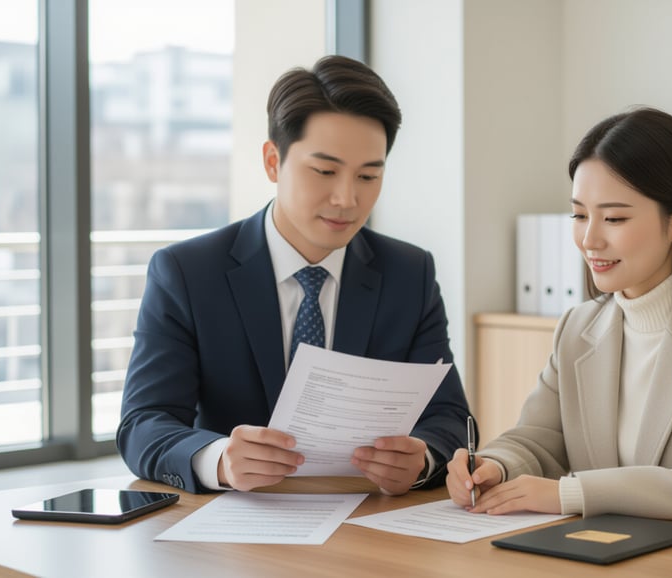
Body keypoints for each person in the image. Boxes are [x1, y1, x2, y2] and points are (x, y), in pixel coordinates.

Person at [117, 55, 472, 495]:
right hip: (233, 536)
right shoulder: (188, 274)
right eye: (324, 171)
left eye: (368, 175)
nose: (347, 198)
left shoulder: (409, 274)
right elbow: (143, 423)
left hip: (367, 524)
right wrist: (220, 459)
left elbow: (451, 418)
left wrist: (423, 459)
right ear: (272, 161)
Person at [446, 108, 672, 529]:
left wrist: (572, 493)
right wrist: (495, 465)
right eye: (580, 215)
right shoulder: (578, 329)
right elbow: (540, 440)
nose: (589, 239)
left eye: (614, 218)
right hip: (617, 552)